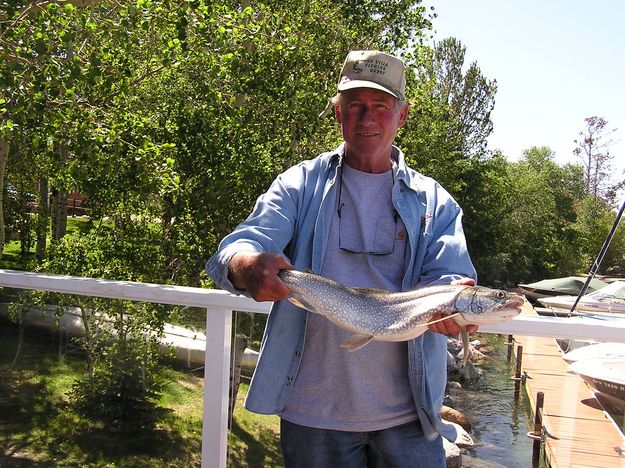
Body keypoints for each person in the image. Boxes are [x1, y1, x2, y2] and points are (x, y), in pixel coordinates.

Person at [206, 50, 477, 467]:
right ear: (338, 113)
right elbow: (238, 246)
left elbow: (451, 276)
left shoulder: (435, 202)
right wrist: (246, 266)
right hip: (311, 415)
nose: (367, 118)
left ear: (402, 116)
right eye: (355, 106)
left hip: (411, 418)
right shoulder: (298, 184)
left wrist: (454, 302)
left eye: (381, 107)